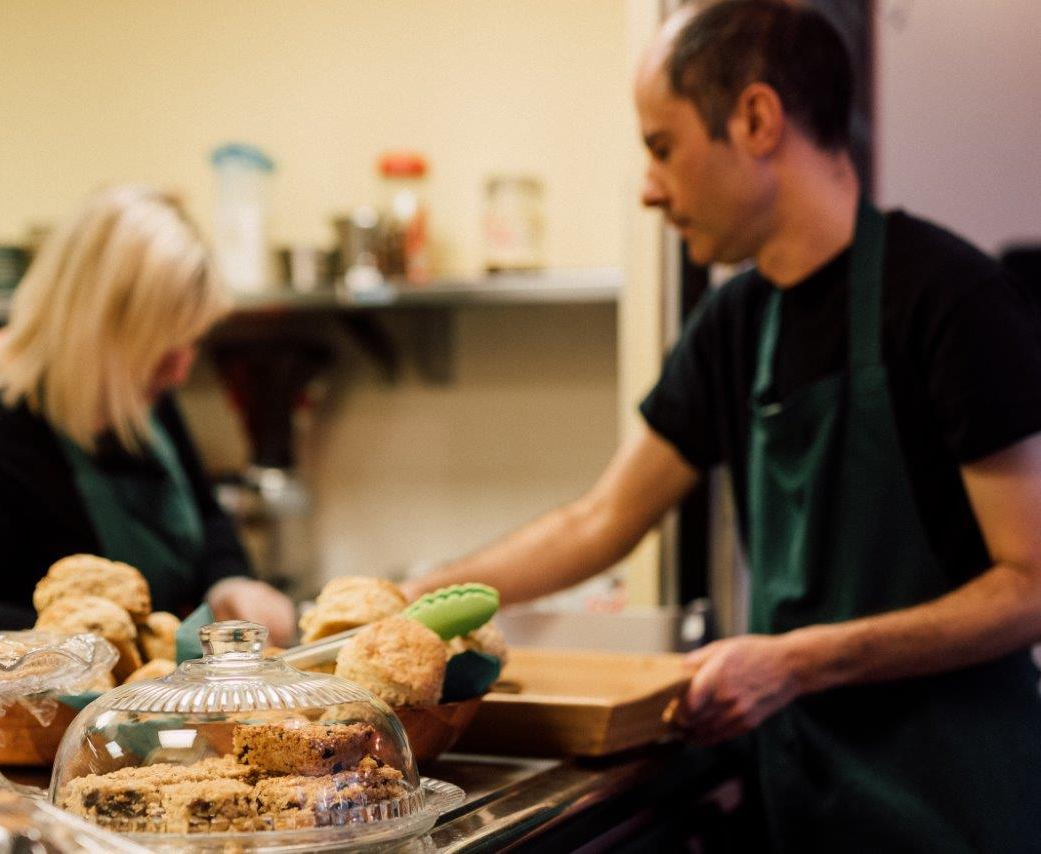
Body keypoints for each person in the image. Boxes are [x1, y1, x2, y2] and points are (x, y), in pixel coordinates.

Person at [402, 1, 1041, 849]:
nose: (648, 186)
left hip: (954, 804)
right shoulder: (737, 322)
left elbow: (1030, 583)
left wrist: (799, 659)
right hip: (809, 804)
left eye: (661, 147)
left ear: (756, 119)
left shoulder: (948, 298)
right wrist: (410, 607)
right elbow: (602, 520)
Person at [0, 186, 296, 644]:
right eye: (160, 352)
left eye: (189, 343)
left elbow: (202, 516)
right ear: (93, 332)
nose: (179, 373)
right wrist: (94, 640)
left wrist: (229, 582)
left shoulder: (133, 388)